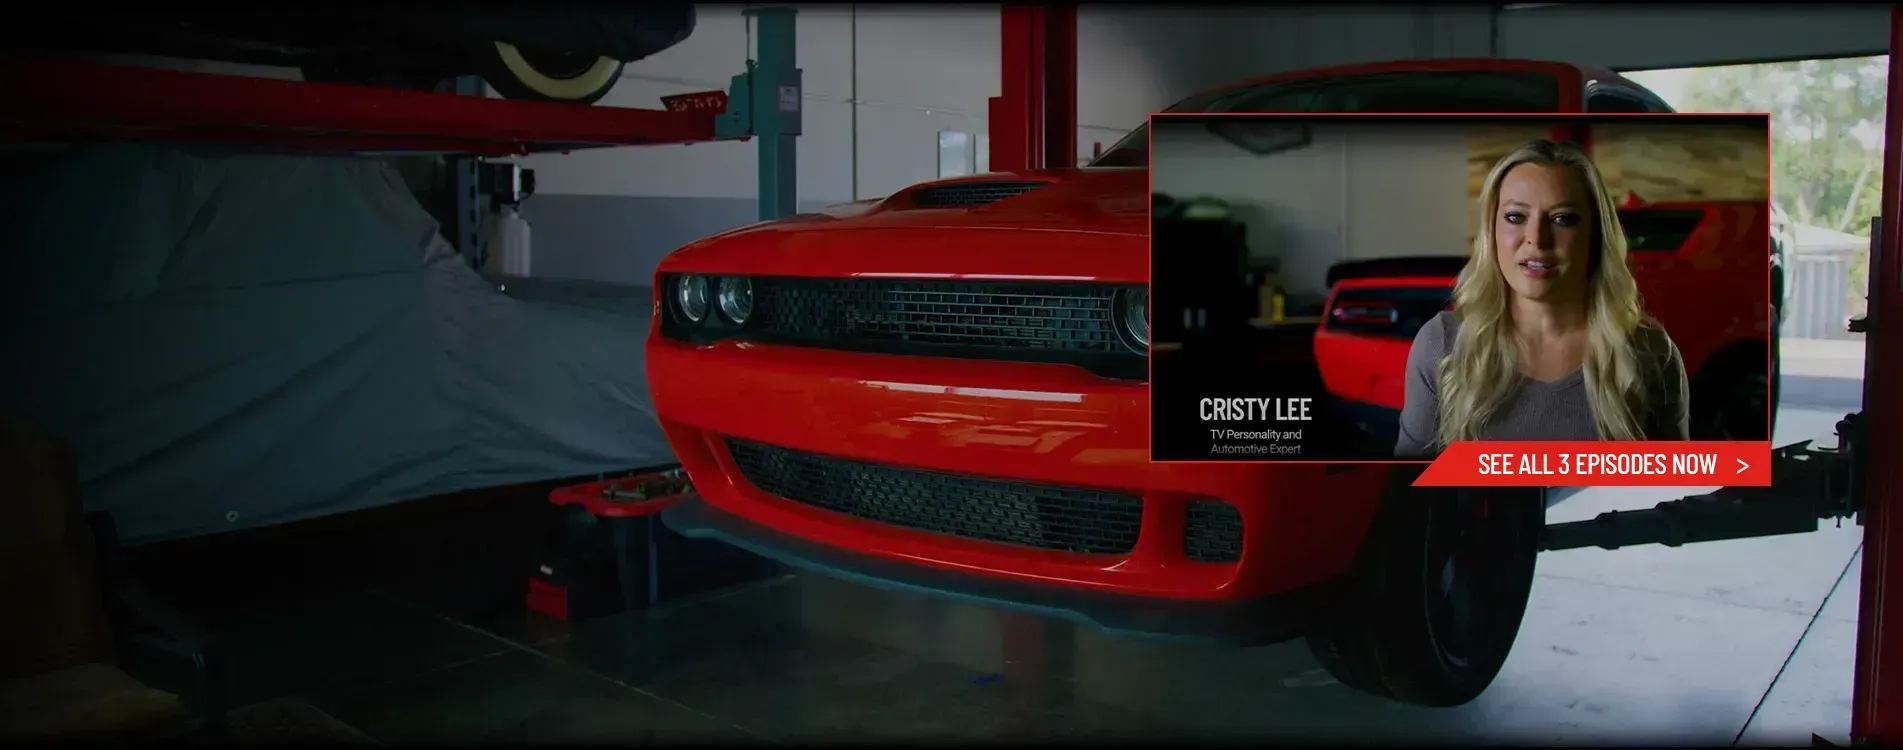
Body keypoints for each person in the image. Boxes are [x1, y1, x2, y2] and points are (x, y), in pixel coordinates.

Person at [1395, 139, 1690, 457]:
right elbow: (1405, 491)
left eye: (1562, 219)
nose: (1536, 239)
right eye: (1515, 217)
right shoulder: (1441, 344)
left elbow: (1674, 496)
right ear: (1491, 233)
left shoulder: (1651, 352)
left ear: (1595, 236)